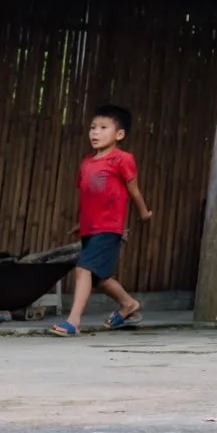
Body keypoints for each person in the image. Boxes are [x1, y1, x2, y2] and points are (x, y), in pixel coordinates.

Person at [44, 104, 151, 335]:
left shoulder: (122, 159)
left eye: (103, 127)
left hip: (110, 227)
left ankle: (73, 322)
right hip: (90, 228)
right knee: (101, 278)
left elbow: (134, 190)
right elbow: (89, 196)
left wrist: (143, 213)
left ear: (119, 135)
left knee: (83, 269)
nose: (95, 132)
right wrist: (81, 222)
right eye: (93, 127)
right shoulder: (86, 163)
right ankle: (128, 304)